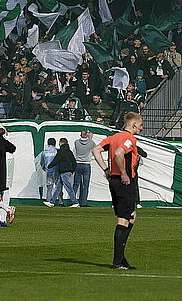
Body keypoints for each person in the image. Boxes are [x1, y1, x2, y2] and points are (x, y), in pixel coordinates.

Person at [94, 111, 144, 270]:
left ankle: (121, 257)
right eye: (140, 125)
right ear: (134, 125)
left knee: (131, 216)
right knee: (123, 219)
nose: (141, 128)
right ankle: (117, 261)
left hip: (114, 181)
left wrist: (106, 169)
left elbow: (96, 150)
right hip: (124, 180)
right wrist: (123, 173)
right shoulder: (129, 139)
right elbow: (118, 153)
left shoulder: (113, 137)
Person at [49, 137, 78, 206]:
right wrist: (72, 171)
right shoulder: (69, 152)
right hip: (67, 172)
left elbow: (56, 160)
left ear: (61, 143)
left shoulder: (61, 151)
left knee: (68, 188)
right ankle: (52, 202)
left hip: (64, 172)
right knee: (58, 188)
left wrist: (49, 166)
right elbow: (74, 162)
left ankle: (75, 202)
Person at [73, 130, 96, 207]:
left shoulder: (76, 142)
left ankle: (73, 200)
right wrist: (90, 138)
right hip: (86, 164)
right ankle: (83, 202)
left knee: (76, 184)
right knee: (85, 185)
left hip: (78, 163)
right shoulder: (91, 143)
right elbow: (95, 148)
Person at [40, 137, 59, 206]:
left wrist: (44, 169)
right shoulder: (57, 151)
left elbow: (41, 162)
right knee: (58, 186)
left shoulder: (44, 152)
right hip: (56, 171)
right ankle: (61, 201)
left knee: (49, 187)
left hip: (49, 172)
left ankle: (48, 200)